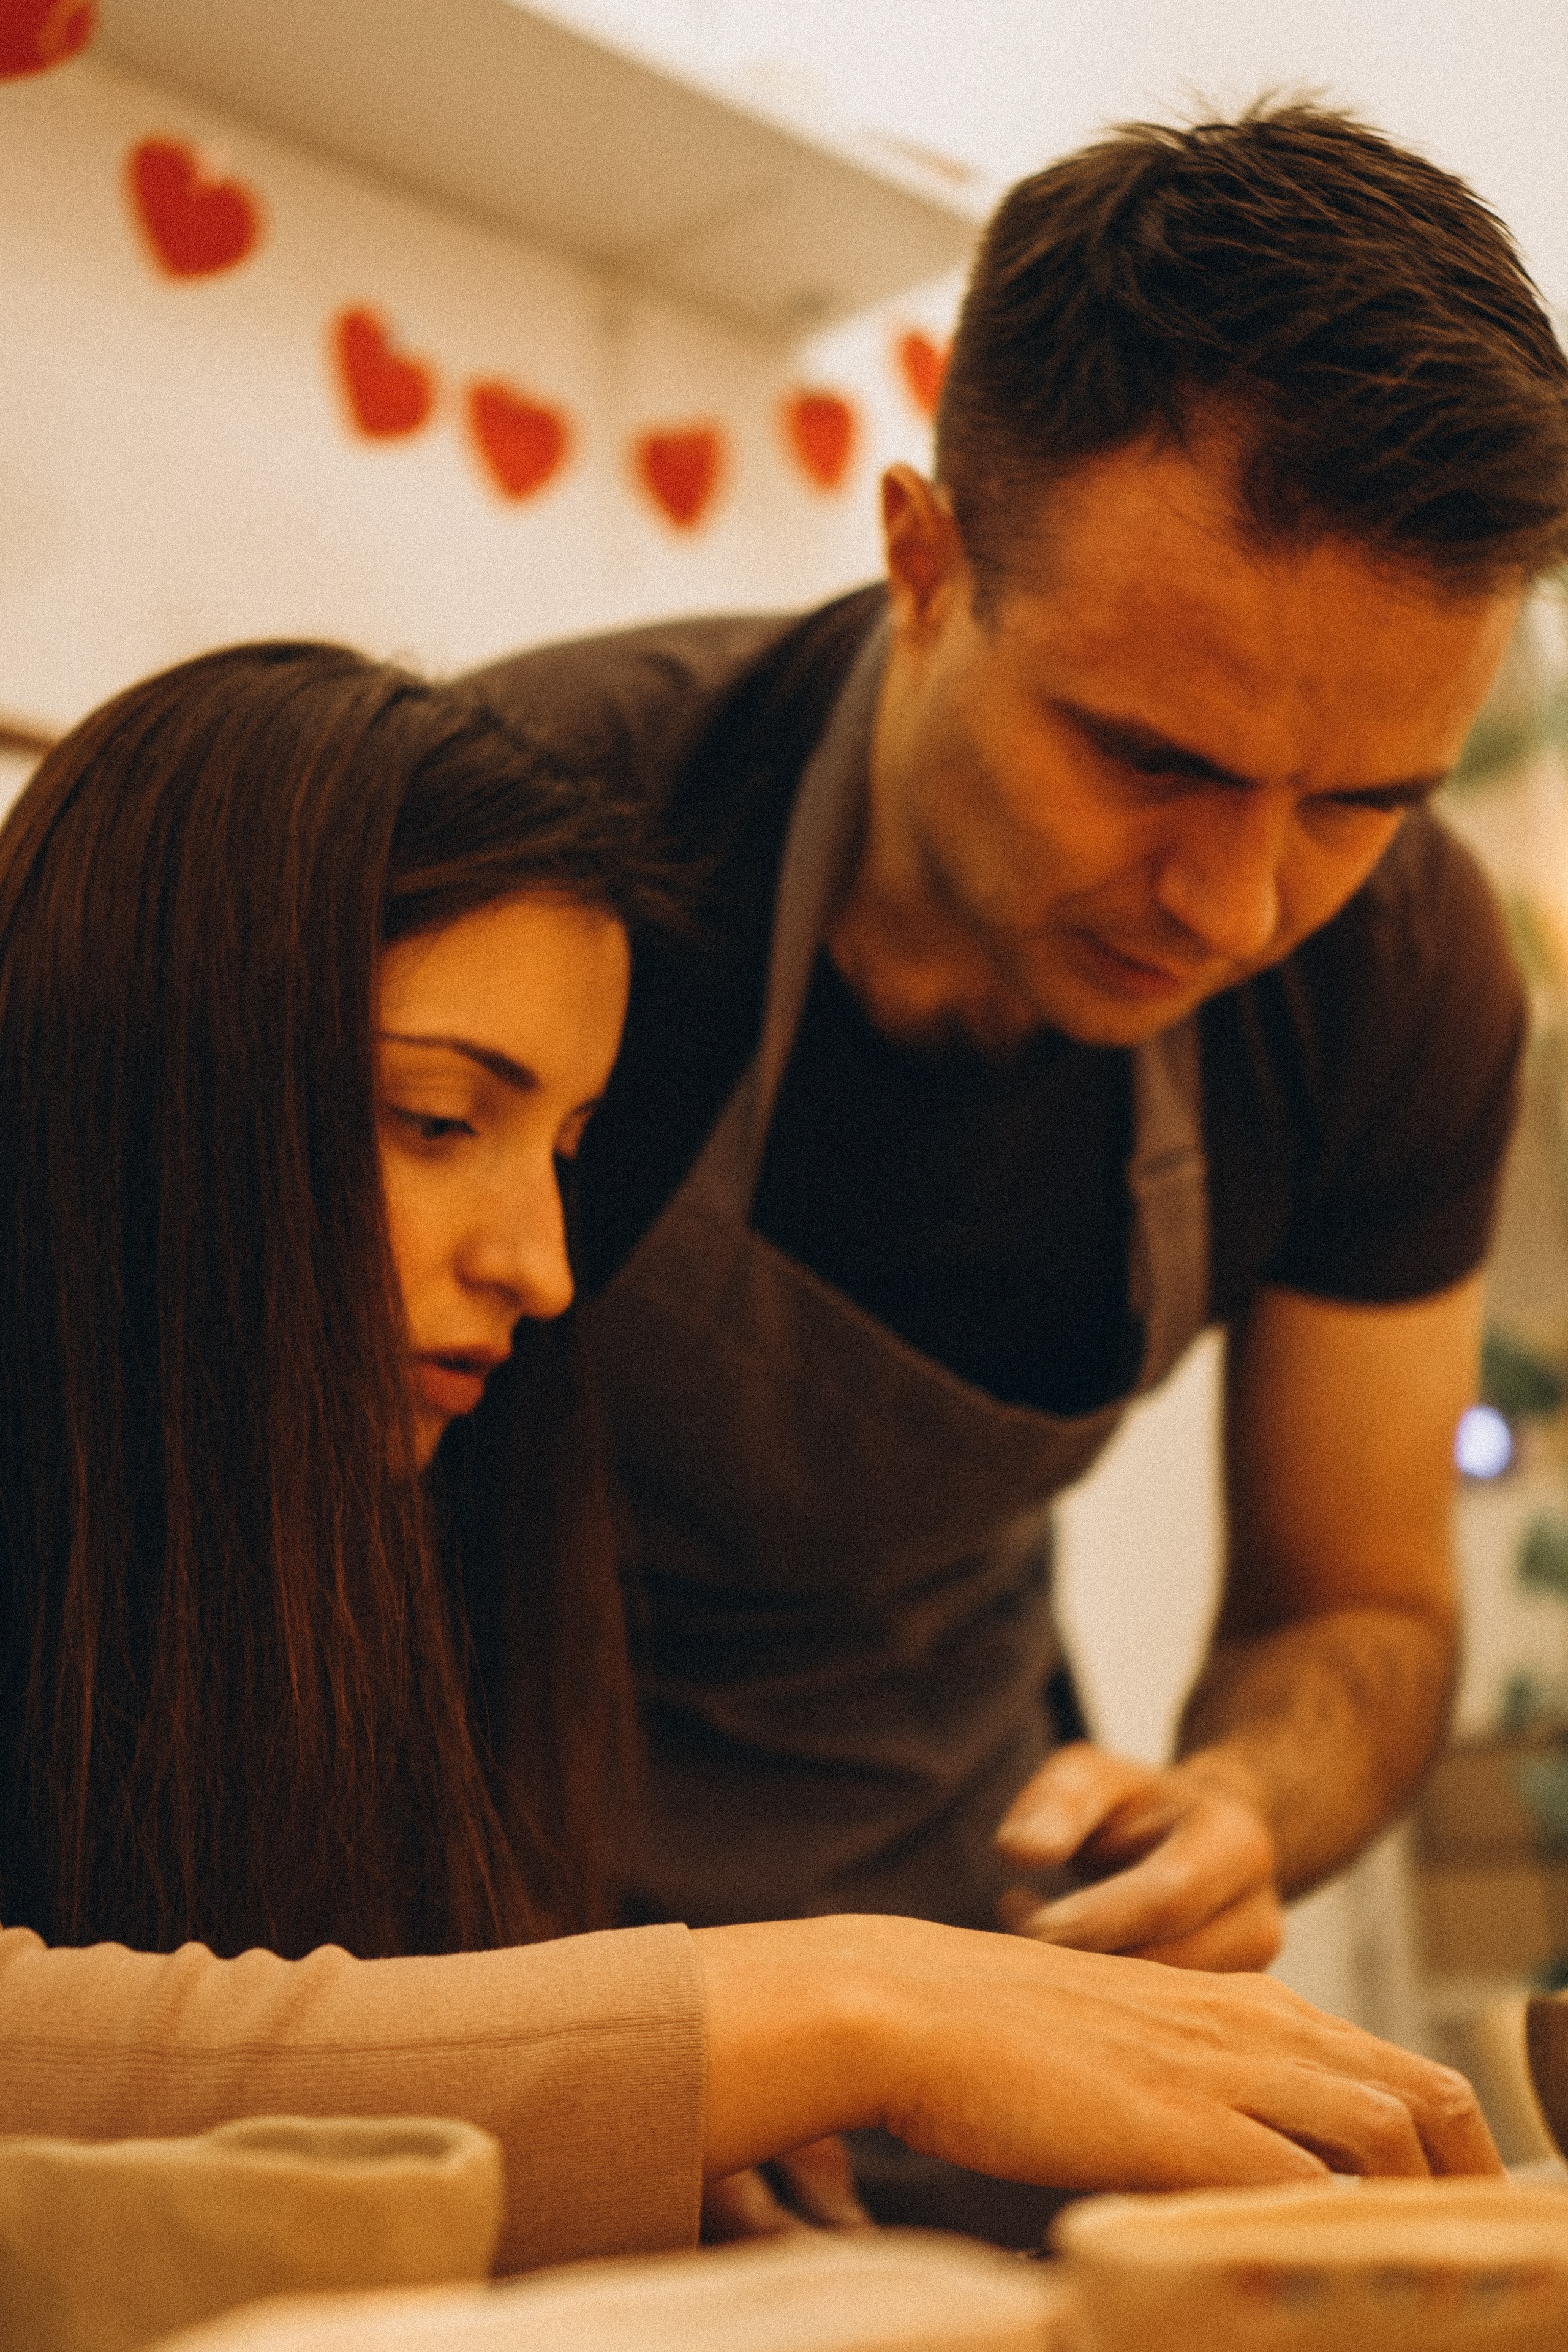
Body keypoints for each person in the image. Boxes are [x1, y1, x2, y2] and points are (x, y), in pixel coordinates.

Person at [0, 643, 1503, 2277]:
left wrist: (622, 2126)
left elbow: (276, 2049)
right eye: (437, 1119)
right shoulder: (636, 746)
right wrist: (844, 2010)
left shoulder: (329, 1623)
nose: (545, 1271)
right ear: (135, 1073)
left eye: (572, 1151)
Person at [466, 104, 1568, 2228]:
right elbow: (228, 1580)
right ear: (925, 561)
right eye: (1150, 757)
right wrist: (591, 2054)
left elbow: (1354, 1601)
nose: (1239, 903)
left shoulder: (1398, 974)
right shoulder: (548, 829)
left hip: (975, 1960)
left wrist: (1245, 1801)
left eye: (1360, 800)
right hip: (463, 1955)